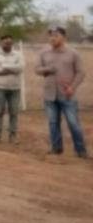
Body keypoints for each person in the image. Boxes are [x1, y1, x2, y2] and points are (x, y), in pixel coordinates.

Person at [35, 25, 86, 157]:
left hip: (67, 95)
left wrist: (72, 88)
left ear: (64, 37)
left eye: (56, 35)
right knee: (53, 123)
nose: (52, 38)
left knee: (73, 123)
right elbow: (37, 69)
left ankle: (81, 151)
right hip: (49, 94)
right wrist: (48, 69)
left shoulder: (73, 53)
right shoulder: (43, 53)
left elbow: (81, 73)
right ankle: (56, 149)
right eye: (51, 35)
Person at [0, 33, 23, 143]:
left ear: (12, 43)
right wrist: (7, 70)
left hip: (15, 87)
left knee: (14, 112)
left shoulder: (18, 54)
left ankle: (13, 136)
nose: (8, 45)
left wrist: (4, 67)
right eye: (6, 42)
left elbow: (20, 68)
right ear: (1, 42)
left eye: (10, 43)